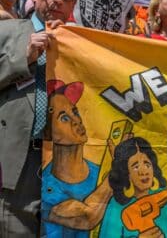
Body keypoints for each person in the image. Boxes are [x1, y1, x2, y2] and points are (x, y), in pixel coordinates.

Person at [0, 0, 78, 236]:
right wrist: (23, 57)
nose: (58, 0)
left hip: (64, 164)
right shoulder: (7, 31)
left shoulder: (84, 44)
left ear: (73, 4)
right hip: (20, 162)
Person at [41, 80, 100, 237]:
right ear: (48, 132)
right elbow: (87, 218)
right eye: (64, 118)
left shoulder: (100, 172)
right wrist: (115, 175)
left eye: (75, 112)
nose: (77, 120)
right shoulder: (45, 186)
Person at [99, 137, 167, 237]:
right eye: (136, 167)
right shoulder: (116, 206)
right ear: (126, 173)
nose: (143, 171)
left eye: (147, 164)